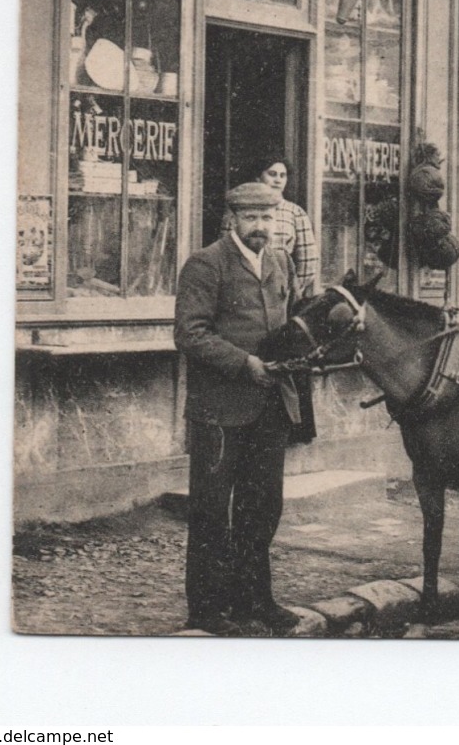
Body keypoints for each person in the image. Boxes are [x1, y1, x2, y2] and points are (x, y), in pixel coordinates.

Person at [174, 182, 307, 636]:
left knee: (262, 507)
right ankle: (207, 611)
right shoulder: (206, 264)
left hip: (270, 406)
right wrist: (245, 364)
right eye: (251, 219)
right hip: (220, 411)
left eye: (268, 218)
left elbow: (287, 325)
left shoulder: (281, 261)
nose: (260, 227)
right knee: (212, 511)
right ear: (232, 219)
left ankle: (255, 601)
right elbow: (190, 334)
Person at [241, 151, 320, 302]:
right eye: (272, 174)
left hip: (280, 294)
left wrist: (289, 289)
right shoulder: (239, 211)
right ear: (258, 177)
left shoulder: (295, 213)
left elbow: (309, 260)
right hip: (245, 291)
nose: (278, 180)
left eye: (282, 176)